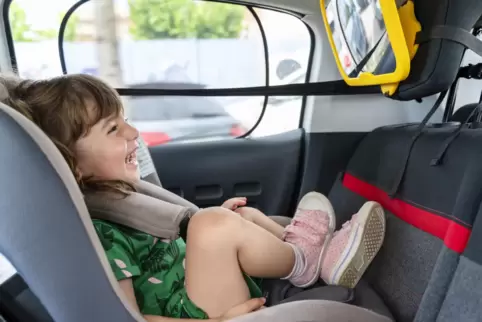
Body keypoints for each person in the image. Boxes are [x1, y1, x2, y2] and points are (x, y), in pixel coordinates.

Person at [0, 74, 386, 322]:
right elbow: (127, 317)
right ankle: (307, 263)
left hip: (193, 287)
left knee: (236, 216)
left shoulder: (117, 197)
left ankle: (301, 249)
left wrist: (218, 224)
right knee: (212, 225)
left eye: (126, 119)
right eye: (113, 128)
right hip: (197, 315)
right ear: (73, 164)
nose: (134, 133)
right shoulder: (95, 234)